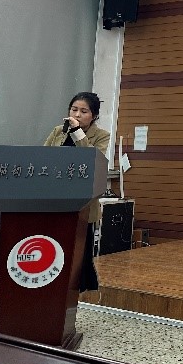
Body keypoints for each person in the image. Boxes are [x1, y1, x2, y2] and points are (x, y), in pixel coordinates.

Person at [44, 91, 111, 293]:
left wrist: (77, 132)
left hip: (83, 201)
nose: (77, 114)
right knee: (55, 244)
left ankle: (78, 288)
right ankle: (52, 281)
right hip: (56, 197)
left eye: (83, 111)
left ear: (94, 116)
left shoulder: (101, 136)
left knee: (79, 248)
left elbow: (92, 160)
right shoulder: (58, 131)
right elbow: (42, 157)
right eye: (74, 109)